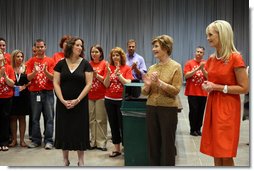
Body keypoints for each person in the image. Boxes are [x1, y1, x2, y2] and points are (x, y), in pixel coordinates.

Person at [200, 20, 249, 166]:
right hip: (213, 105)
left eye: (210, 35)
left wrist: (217, 87)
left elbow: (244, 88)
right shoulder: (211, 58)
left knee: (225, 152)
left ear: (222, 35)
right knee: (215, 151)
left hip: (227, 108)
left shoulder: (235, 58)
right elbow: (214, 79)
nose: (207, 38)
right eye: (206, 35)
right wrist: (208, 84)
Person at [142, 35, 182, 166]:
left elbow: (176, 90)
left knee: (168, 144)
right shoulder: (152, 68)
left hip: (168, 109)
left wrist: (159, 83)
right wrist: (147, 85)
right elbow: (144, 92)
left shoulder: (176, 66)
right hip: (151, 108)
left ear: (166, 48)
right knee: (153, 143)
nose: (153, 49)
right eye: (153, 46)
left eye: (156, 46)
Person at [53, 37, 93, 166]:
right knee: (64, 129)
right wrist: (62, 100)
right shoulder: (60, 64)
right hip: (63, 103)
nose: (80, 48)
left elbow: (89, 84)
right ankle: (65, 159)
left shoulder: (86, 64)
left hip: (80, 103)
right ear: (70, 46)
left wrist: (78, 100)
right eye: (77, 45)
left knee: (79, 129)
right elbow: (56, 83)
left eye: (81, 46)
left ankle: (81, 160)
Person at [103, 47, 133, 157]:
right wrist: (108, 73)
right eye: (113, 55)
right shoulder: (109, 67)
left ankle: (126, 148)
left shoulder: (127, 68)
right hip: (109, 100)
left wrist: (119, 74)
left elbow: (128, 83)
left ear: (121, 56)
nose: (115, 57)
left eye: (117, 55)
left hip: (121, 101)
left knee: (123, 125)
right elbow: (106, 84)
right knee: (113, 125)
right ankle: (117, 149)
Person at [26, 39, 55, 150]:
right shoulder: (30, 61)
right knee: (34, 118)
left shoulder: (51, 61)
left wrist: (46, 71)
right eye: (38, 47)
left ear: (45, 47)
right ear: (35, 48)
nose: (40, 49)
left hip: (48, 93)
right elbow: (28, 77)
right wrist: (35, 72)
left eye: (42, 47)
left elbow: (53, 78)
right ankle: (36, 140)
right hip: (35, 93)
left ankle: (48, 141)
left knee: (49, 118)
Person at [183, 46, 207, 136]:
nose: (199, 53)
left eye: (201, 52)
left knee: (201, 112)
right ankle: (192, 129)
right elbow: (186, 76)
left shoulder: (206, 63)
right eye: (197, 51)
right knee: (194, 111)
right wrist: (197, 69)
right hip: (192, 92)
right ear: (195, 52)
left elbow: (209, 77)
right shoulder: (189, 63)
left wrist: (203, 69)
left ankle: (198, 129)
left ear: (203, 54)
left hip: (203, 92)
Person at [9, 50, 30, 148]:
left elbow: (31, 80)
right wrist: (14, 88)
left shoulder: (25, 67)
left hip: (24, 94)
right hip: (13, 94)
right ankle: (14, 140)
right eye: (18, 56)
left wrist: (24, 86)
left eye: (21, 56)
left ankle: (22, 140)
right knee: (13, 117)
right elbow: (7, 81)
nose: (20, 58)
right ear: (13, 57)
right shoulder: (10, 68)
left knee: (22, 117)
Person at [88, 45, 108, 151]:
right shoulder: (88, 64)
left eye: (96, 52)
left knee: (101, 120)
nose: (94, 54)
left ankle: (101, 142)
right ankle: (93, 141)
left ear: (101, 53)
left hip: (101, 95)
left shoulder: (105, 64)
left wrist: (97, 76)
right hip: (89, 96)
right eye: (92, 52)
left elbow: (106, 81)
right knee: (91, 120)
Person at [0, 50, 15, 151]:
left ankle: (4, 142)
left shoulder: (9, 68)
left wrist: (4, 76)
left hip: (6, 98)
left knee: (5, 120)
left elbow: (12, 84)